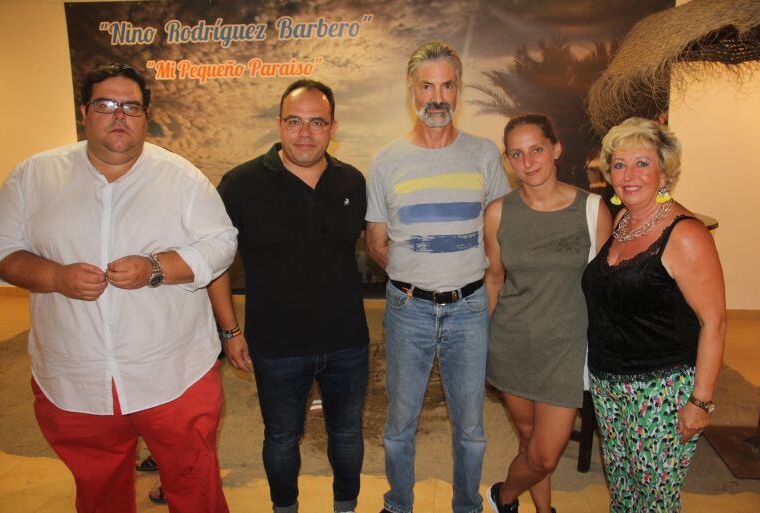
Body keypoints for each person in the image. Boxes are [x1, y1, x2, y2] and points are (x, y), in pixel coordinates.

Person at [0, 63, 236, 513]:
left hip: (173, 372)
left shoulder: (180, 177)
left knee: (193, 480)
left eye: (131, 106)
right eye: (106, 105)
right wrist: (54, 278)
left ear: (147, 116)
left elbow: (222, 243)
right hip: (75, 374)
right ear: (84, 113)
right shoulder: (35, 176)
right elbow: (3, 248)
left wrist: (157, 268)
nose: (119, 116)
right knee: (98, 487)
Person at [365, 41, 510, 513]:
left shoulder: (485, 155)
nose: (437, 96)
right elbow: (377, 242)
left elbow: (496, 241)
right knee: (399, 427)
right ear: (412, 91)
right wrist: (416, 276)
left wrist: (481, 295)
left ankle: (467, 506)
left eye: (447, 85)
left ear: (458, 90)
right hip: (408, 309)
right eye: (427, 85)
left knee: (471, 429)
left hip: (470, 310)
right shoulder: (386, 161)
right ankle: (398, 504)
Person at [215, 79, 369, 513]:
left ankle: (346, 507)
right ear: (278, 124)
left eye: (317, 122)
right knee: (281, 437)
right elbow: (215, 264)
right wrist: (230, 331)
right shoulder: (241, 184)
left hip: (346, 342)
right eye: (295, 122)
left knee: (347, 434)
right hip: (276, 345)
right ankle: (285, 508)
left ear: (333, 126)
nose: (305, 133)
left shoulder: (353, 182)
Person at [581, 117, 726, 512]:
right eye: (619, 164)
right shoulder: (625, 221)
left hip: (660, 393)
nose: (629, 175)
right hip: (611, 384)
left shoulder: (685, 233)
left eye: (642, 163)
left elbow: (714, 321)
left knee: (656, 503)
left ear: (664, 171)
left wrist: (701, 402)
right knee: (625, 494)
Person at [484, 113, 611, 513]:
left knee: (544, 456)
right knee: (527, 440)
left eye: (536, 149)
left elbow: (605, 289)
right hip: (512, 344)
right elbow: (494, 280)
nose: (528, 161)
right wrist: (486, 343)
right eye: (517, 154)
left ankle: (503, 496)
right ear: (508, 160)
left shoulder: (592, 210)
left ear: (556, 149)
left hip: (566, 349)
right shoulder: (498, 213)